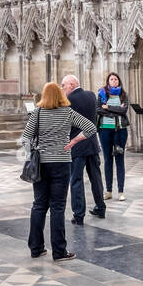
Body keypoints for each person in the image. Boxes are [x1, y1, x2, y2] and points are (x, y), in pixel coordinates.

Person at [23, 81, 98, 261]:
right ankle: (59, 251)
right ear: (60, 96)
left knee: (39, 204)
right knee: (57, 207)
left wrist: (31, 154)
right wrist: (73, 142)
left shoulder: (38, 113)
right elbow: (91, 128)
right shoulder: (67, 112)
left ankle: (36, 248)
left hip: (41, 163)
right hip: (62, 163)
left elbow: (25, 137)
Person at [60, 75, 104, 224]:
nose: (62, 88)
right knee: (96, 177)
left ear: (72, 85)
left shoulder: (68, 101)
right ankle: (100, 207)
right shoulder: (91, 95)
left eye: (64, 85)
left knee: (76, 180)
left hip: (77, 146)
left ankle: (79, 215)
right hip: (92, 143)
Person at [96, 72, 130, 200]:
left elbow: (124, 110)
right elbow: (98, 109)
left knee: (120, 159)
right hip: (105, 130)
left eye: (116, 79)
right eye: (111, 79)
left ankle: (121, 192)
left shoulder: (123, 95)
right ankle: (108, 191)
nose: (114, 81)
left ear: (119, 81)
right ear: (108, 81)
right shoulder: (102, 93)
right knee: (107, 160)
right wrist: (114, 111)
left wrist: (108, 107)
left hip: (120, 130)